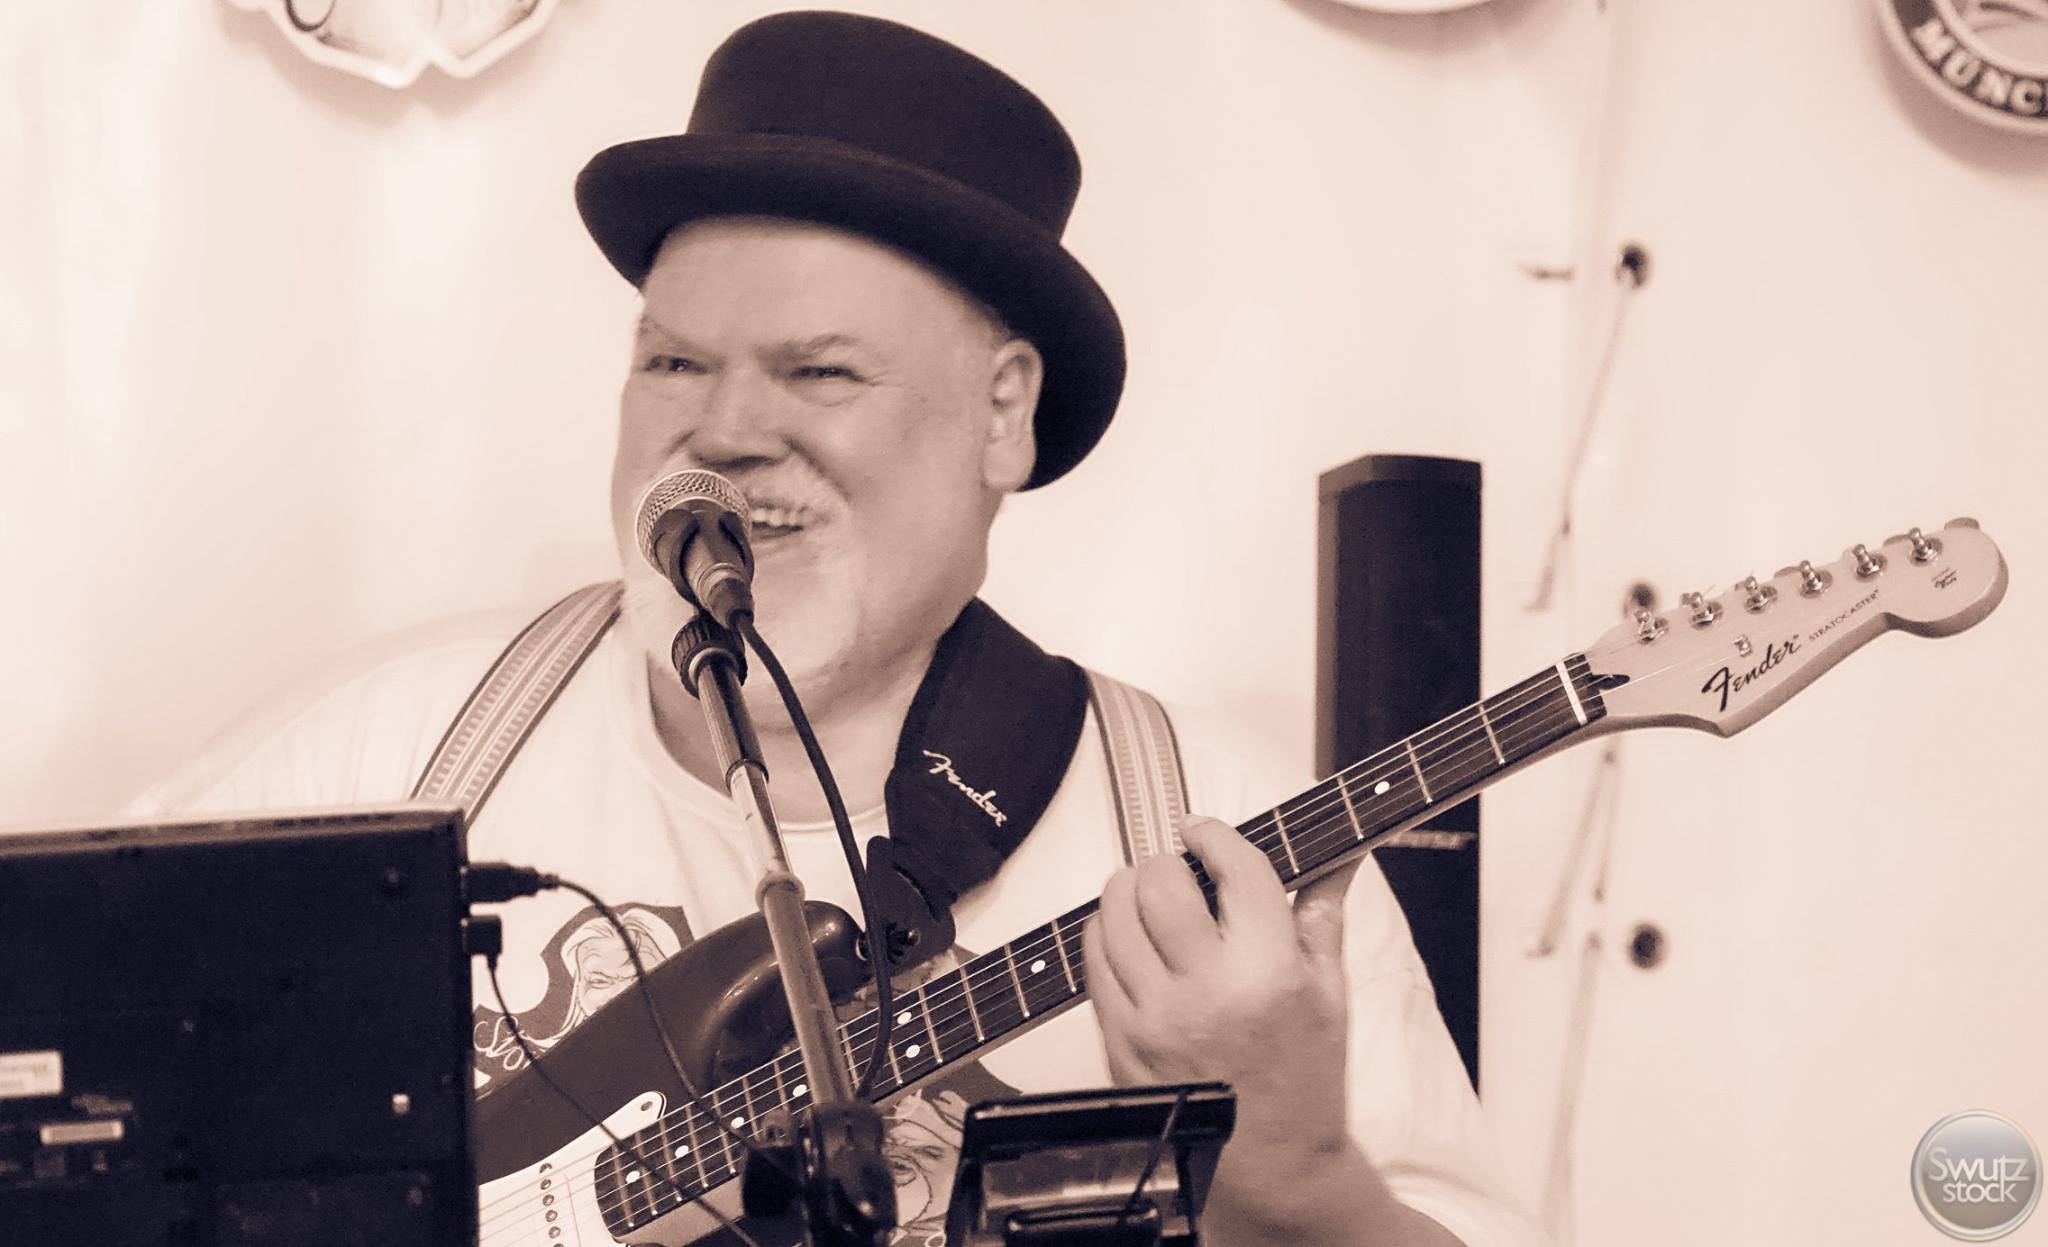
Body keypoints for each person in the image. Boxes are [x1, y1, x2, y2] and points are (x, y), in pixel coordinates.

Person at [137, 12, 1544, 1247]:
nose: (724, 431)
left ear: (1003, 414)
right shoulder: (389, 765)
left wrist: (1293, 1177)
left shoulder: (1218, 848)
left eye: (819, 372)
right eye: (672, 361)